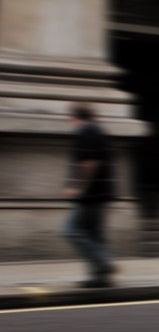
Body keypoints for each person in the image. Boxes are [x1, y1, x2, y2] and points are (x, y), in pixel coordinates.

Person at [62, 102, 116, 288]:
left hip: (91, 194)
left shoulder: (87, 131)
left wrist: (77, 186)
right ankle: (100, 277)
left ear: (75, 117)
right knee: (94, 234)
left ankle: (104, 263)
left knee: (70, 230)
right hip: (99, 192)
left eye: (70, 117)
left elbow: (89, 163)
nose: (69, 121)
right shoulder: (97, 130)